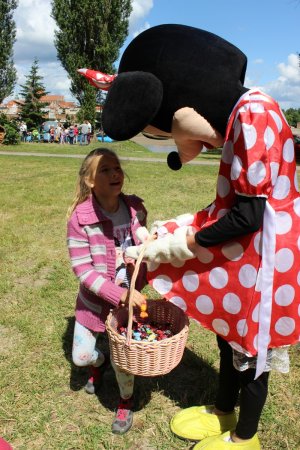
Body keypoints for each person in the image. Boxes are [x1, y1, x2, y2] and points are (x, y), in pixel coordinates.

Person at [81, 24, 300, 449]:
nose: (179, 146)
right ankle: (222, 410)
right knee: (229, 336)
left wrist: (177, 245)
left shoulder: (255, 113)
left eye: (167, 133)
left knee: (253, 353)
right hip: (249, 256)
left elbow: (248, 217)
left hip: (267, 259)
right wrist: (175, 226)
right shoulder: (240, 116)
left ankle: (244, 438)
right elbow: (227, 205)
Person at [66, 148, 148, 434]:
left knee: (122, 359)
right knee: (81, 357)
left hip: (127, 304)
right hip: (93, 302)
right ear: (90, 181)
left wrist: (147, 248)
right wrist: (117, 293)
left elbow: (142, 243)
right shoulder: (81, 218)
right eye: (105, 170)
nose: (115, 173)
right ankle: (97, 365)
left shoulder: (135, 208)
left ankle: (125, 400)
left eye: (117, 168)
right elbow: (83, 269)